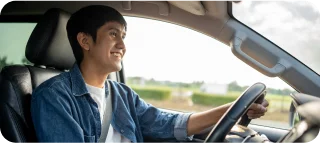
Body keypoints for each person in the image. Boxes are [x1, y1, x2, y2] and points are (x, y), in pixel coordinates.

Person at [31, 5, 269, 143]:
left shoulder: (121, 93)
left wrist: (237, 109)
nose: (122, 45)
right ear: (85, 40)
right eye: (113, 34)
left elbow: (168, 124)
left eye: (123, 36)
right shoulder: (53, 97)